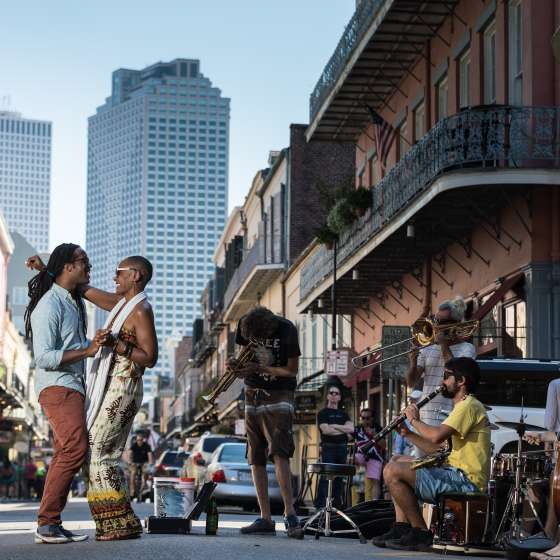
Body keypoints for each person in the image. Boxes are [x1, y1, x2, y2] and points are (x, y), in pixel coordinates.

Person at [374, 357, 491, 552]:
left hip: (465, 480)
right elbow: (440, 450)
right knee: (396, 460)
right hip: (454, 473)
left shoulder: (469, 405)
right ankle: (402, 527)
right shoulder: (461, 407)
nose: (442, 382)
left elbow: (436, 436)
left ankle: (420, 532)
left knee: (393, 470)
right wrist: (407, 433)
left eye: (446, 376)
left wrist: (414, 421)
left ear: (461, 381)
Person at [25, 244, 100, 544]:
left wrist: (96, 345)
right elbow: (42, 356)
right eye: (85, 263)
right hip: (57, 386)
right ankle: (46, 524)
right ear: (69, 266)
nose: (89, 268)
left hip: (72, 386)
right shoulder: (49, 306)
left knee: (65, 451)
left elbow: (75, 344)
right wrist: (87, 350)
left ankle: (51, 522)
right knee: (74, 449)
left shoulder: (71, 301)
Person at [81, 256, 158, 540]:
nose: (114, 278)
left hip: (124, 389)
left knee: (99, 450)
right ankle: (120, 522)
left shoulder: (141, 310)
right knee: (96, 451)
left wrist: (118, 344)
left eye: (119, 273)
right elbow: (85, 291)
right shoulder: (122, 307)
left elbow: (150, 357)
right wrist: (51, 272)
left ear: (135, 275)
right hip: (112, 387)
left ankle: (119, 524)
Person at [230, 306, 304, 539]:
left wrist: (261, 367)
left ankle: (290, 513)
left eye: (257, 339)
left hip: (280, 392)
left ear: (268, 329)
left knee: (280, 451)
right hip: (252, 391)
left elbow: (292, 371)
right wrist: (238, 369)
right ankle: (265, 517)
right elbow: (244, 354)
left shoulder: (286, 329)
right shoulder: (245, 323)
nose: (252, 342)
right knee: (255, 454)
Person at [406, 297, 477, 442]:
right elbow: (411, 382)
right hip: (424, 415)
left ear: (456, 324)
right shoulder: (428, 348)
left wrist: (444, 344)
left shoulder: (467, 349)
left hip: (449, 415)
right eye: (435, 321)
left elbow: (457, 373)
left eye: (441, 323)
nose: (436, 326)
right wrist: (412, 362)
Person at [316, 385, 354, 508]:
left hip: (342, 448)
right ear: (327, 396)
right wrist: (343, 430)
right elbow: (326, 430)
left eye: (336, 393)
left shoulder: (344, 414)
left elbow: (351, 429)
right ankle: (322, 505)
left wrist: (334, 426)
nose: (333, 395)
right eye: (331, 392)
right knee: (327, 475)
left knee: (339, 477)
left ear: (339, 397)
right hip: (328, 447)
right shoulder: (323, 413)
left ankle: (336, 505)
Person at [354, 407, 385, 501]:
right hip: (360, 455)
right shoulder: (357, 428)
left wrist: (374, 436)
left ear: (372, 418)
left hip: (375, 457)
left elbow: (384, 445)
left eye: (367, 418)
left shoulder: (377, 427)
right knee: (351, 460)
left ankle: (374, 502)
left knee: (375, 480)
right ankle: (355, 496)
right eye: (363, 418)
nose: (365, 420)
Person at [393, 390, 423, 458]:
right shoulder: (406, 419)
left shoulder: (426, 417)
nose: (412, 403)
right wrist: (397, 455)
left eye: (415, 400)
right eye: (412, 400)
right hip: (409, 456)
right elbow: (399, 443)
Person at [128, 433, 154, 500]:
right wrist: (130, 462)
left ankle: (142, 490)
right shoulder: (134, 446)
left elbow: (150, 455)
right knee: (133, 474)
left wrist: (150, 463)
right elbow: (130, 454)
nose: (139, 441)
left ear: (143, 440)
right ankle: (133, 491)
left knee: (145, 474)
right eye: (138, 440)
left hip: (144, 463)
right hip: (135, 463)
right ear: (136, 440)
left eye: (141, 440)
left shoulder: (147, 446)